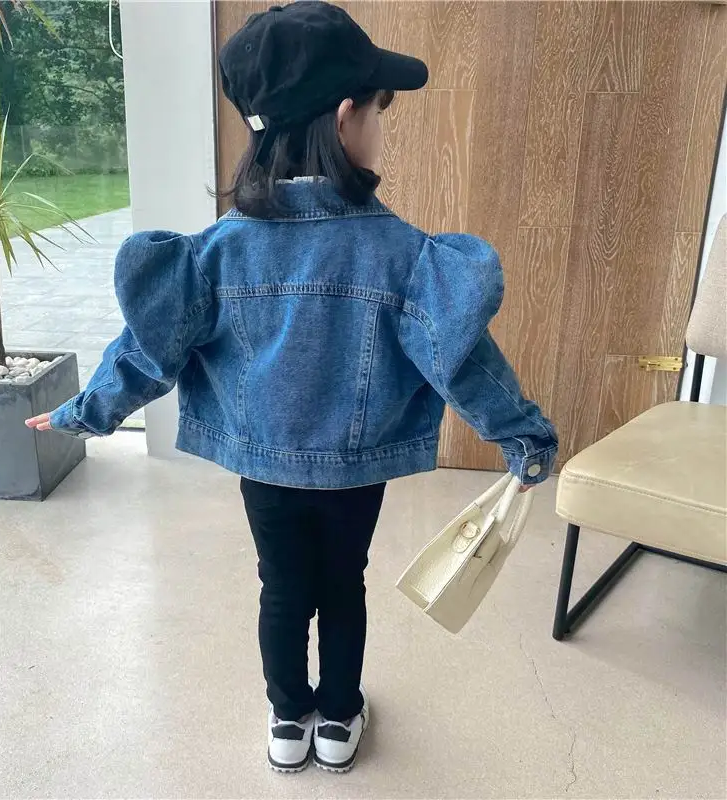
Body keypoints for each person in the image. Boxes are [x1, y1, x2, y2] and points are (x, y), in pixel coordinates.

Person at [27, 0, 558, 776]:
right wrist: (525, 437)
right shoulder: (403, 254)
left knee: (280, 588)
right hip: (355, 471)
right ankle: (338, 720)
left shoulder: (216, 251)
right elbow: (464, 363)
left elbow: (148, 352)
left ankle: (288, 719)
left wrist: (85, 411)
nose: (380, 128)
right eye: (379, 111)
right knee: (344, 585)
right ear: (345, 118)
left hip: (265, 469)